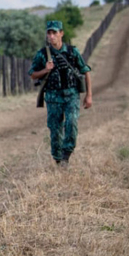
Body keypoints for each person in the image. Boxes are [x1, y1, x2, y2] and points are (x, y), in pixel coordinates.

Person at [29, 20, 93, 166]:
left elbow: (85, 70)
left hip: (71, 95)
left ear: (61, 33)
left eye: (54, 33)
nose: (51, 36)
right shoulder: (42, 54)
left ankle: (66, 155)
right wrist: (45, 70)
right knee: (55, 129)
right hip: (52, 97)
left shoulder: (72, 51)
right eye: (49, 33)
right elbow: (32, 74)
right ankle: (58, 160)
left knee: (71, 122)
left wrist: (89, 96)